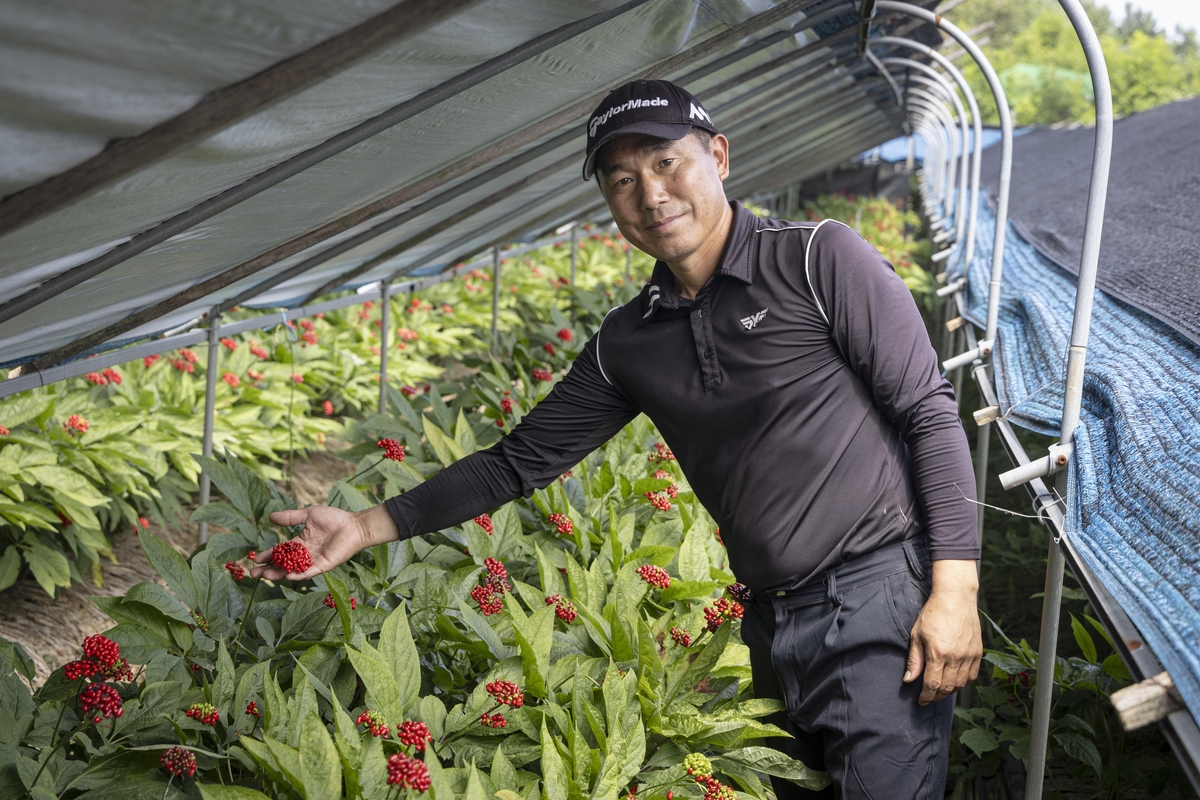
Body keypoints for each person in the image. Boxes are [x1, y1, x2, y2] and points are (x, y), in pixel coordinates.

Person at [253, 79, 982, 799]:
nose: (651, 194)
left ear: (718, 157)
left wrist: (955, 590)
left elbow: (927, 410)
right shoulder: (630, 341)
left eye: (667, 164)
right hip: (770, 623)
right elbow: (518, 462)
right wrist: (364, 524)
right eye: (622, 179)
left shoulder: (817, 260)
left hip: (878, 599)